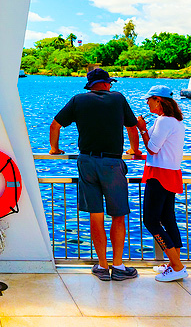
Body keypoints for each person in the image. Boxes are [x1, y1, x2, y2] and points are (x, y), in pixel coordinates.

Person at [49, 68, 142, 281]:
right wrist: (134, 151)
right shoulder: (118, 99)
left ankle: (102, 266)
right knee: (118, 215)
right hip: (111, 162)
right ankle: (118, 267)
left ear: (90, 85)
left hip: (87, 162)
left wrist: (54, 149)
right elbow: (132, 126)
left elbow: (55, 125)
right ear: (106, 84)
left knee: (96, 215)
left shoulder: (78, 100)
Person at [137, 85, 188, 282]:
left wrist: (142, 130)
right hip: (171, 173)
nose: (146, 103)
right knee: (167, 219)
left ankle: (177, 266)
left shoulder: (164, 121)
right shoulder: (174, 121)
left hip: (159, 175)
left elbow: (152, 149)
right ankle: (174, 263)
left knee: (150, 220)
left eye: (148, 99)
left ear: (158, 100)